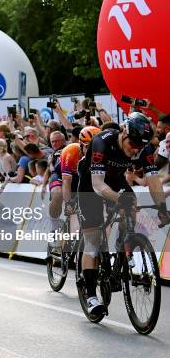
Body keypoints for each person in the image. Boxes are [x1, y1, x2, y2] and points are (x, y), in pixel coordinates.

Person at [77, 112, 169, 315]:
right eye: (133, 143)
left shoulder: (143, 148)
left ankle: (123, 246)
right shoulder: (102, 142)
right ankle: (91, 296)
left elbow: (153, 180)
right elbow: (98, 185)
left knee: (132, 202)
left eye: (140, 145)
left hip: (115, 180)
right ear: (124, 132)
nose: (135, 149)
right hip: (90, 185)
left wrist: (162, 207)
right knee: (92, 241)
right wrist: (119, 199)